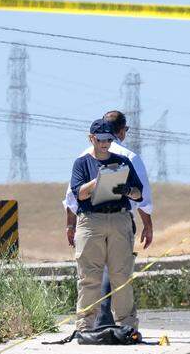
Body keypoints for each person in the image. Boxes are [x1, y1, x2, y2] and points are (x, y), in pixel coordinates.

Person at [62, 110, 154, 326]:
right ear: (91, 138)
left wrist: (127, 189)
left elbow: (140, 194)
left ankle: (127, 324)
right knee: (89, 276)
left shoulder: (124, 161)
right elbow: (77, 193)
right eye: (101, 140)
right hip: (91, 221)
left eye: (108, 140)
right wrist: (100, 179)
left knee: (121, 275)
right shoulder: (82, 163)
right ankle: (85, 324)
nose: (105, 144)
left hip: (119, 219)